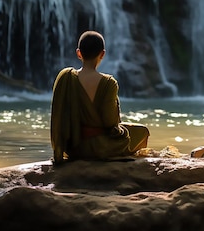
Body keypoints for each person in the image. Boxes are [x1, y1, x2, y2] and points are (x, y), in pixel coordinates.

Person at [50, 30, 149, 164]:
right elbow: (110, 122)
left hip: (74, 148)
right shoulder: (108, 83)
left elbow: (58, 117)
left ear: (78, 53)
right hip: (102, 147)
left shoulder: (66, 78)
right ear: (102, 54)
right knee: (142, 132)